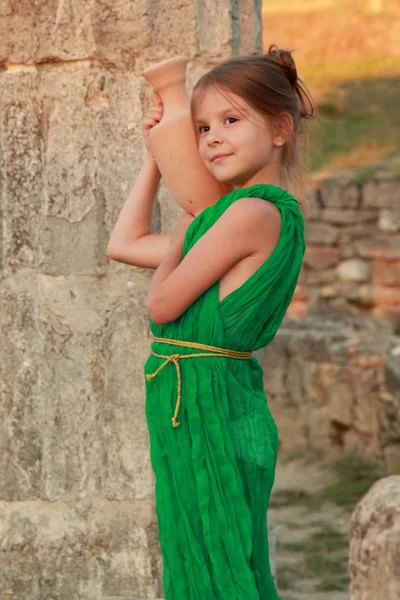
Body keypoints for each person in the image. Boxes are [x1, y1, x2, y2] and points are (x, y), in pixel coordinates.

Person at [106, 44, 317, 600]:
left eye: (230, 120)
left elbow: (161, 306)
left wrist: (193, 216)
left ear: (279, 129)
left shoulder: (251, 212)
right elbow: (123, 245)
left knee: (221, 575)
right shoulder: (228, 217)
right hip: (196, 403)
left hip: (215, 410)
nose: (211, 139)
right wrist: (157, 155)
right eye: (199, 129)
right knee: (205, 565)